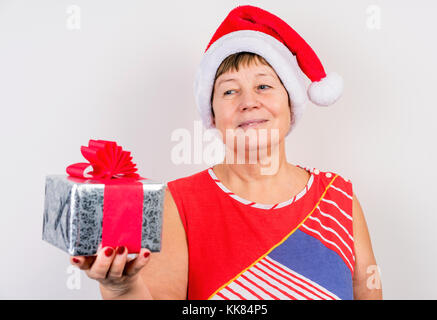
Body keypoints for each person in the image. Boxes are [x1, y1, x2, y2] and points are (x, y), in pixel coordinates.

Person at [69, 5, 382, 300]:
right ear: (213, 115)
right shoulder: (177, 204)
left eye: (264, 86)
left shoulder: (340, 199)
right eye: (229, 91)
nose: (248, 101)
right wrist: (123, 289)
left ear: (291, 103)